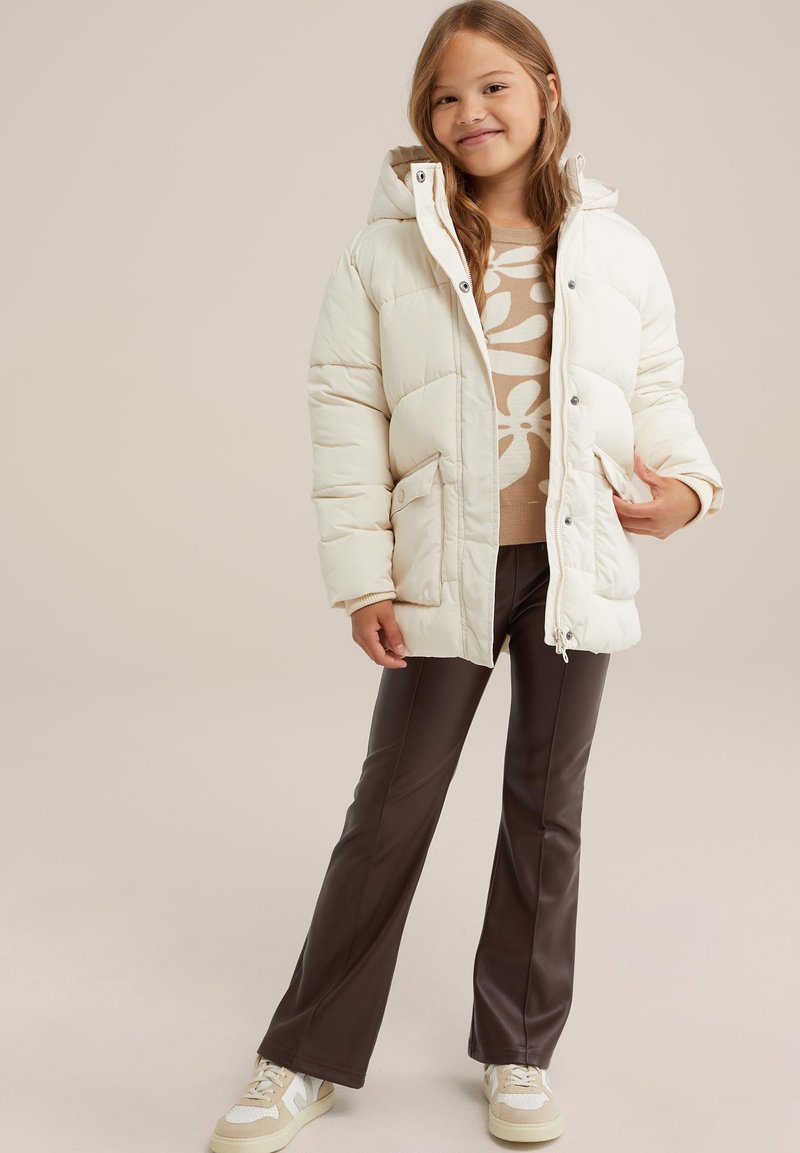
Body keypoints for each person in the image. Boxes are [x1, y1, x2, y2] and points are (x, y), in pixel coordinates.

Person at [210, 2, 725, 1148]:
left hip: (575, 560)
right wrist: (363, 577)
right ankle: (303, 1056)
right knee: (391, 806)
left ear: (546, 89)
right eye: (443, 96)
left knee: (546, 808)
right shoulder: (385, 250)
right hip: (445, 564)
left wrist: (687, 490)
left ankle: (517, 1049)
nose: (467, 112)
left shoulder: (617, 250)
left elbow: (654, 392)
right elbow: (345, 411)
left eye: (491, 86)